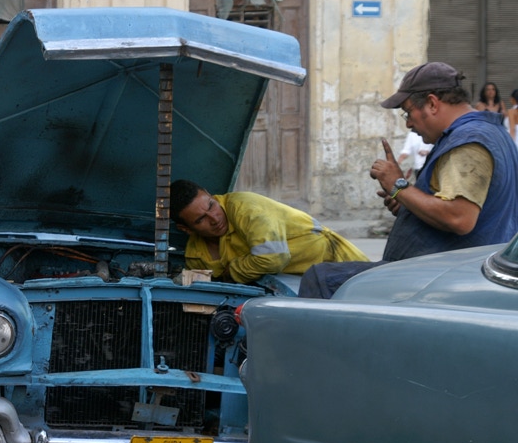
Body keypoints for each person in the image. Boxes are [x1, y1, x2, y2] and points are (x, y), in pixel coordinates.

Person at [300, 62, 518, 298]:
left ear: (432, 103)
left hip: (443, 280)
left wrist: (399, 186)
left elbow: (459, 217)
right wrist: (409, 204)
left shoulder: (469, 142)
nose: (408, 124)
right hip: (459, 272)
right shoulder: (492, 132)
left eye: (408, 112)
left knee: (321, 279)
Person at [170, 180, 368, 284]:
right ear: (186, 229)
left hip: (342, 267)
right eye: (201, 219)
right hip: (305, 285)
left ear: (211, 195)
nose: (214, 218)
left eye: (211, 205)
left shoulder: (246, 208)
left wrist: (234, 271)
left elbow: (273, 258)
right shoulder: (196, 255)